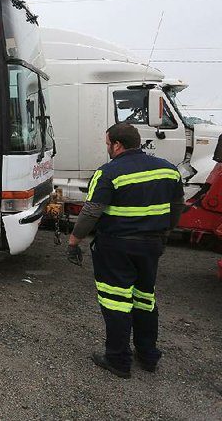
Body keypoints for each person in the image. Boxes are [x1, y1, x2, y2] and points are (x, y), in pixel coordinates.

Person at [67, 123, 184, 378]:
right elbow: (177, 207)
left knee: (116, 302)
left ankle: (118, 360)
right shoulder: (168, 170)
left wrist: (74, 240)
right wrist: (164, 234)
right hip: (151, 246)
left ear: (117, 145)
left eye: (107, 143)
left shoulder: (109, 172)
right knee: (145, 299)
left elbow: (91, 212)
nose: (107, 147)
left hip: (116, 247)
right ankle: (148, 355)